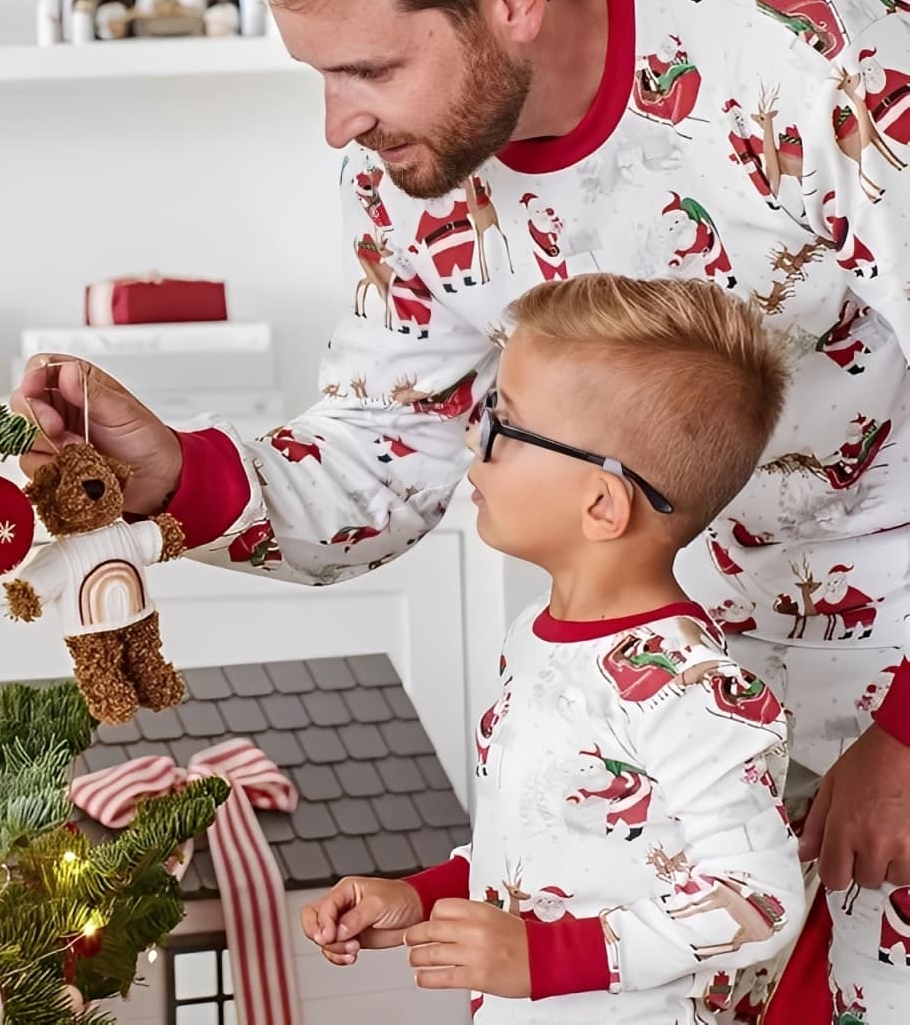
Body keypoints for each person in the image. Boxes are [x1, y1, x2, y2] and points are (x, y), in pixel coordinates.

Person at [11, 0, 910, 1017]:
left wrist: (904, 735)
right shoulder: (407, 171)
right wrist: (173, 470)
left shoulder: (801, 42)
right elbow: (383, 460)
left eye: (368, 66)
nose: (337, 124)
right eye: (320, 75)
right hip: (658, 675)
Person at [302, 273, 804, 1022]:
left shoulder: (692, 688)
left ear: (601, 503)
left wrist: (544, 958)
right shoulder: (533, 635)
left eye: (502, 425)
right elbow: (544, 849)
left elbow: (759, 900)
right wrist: (422, 896)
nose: (472, 439)